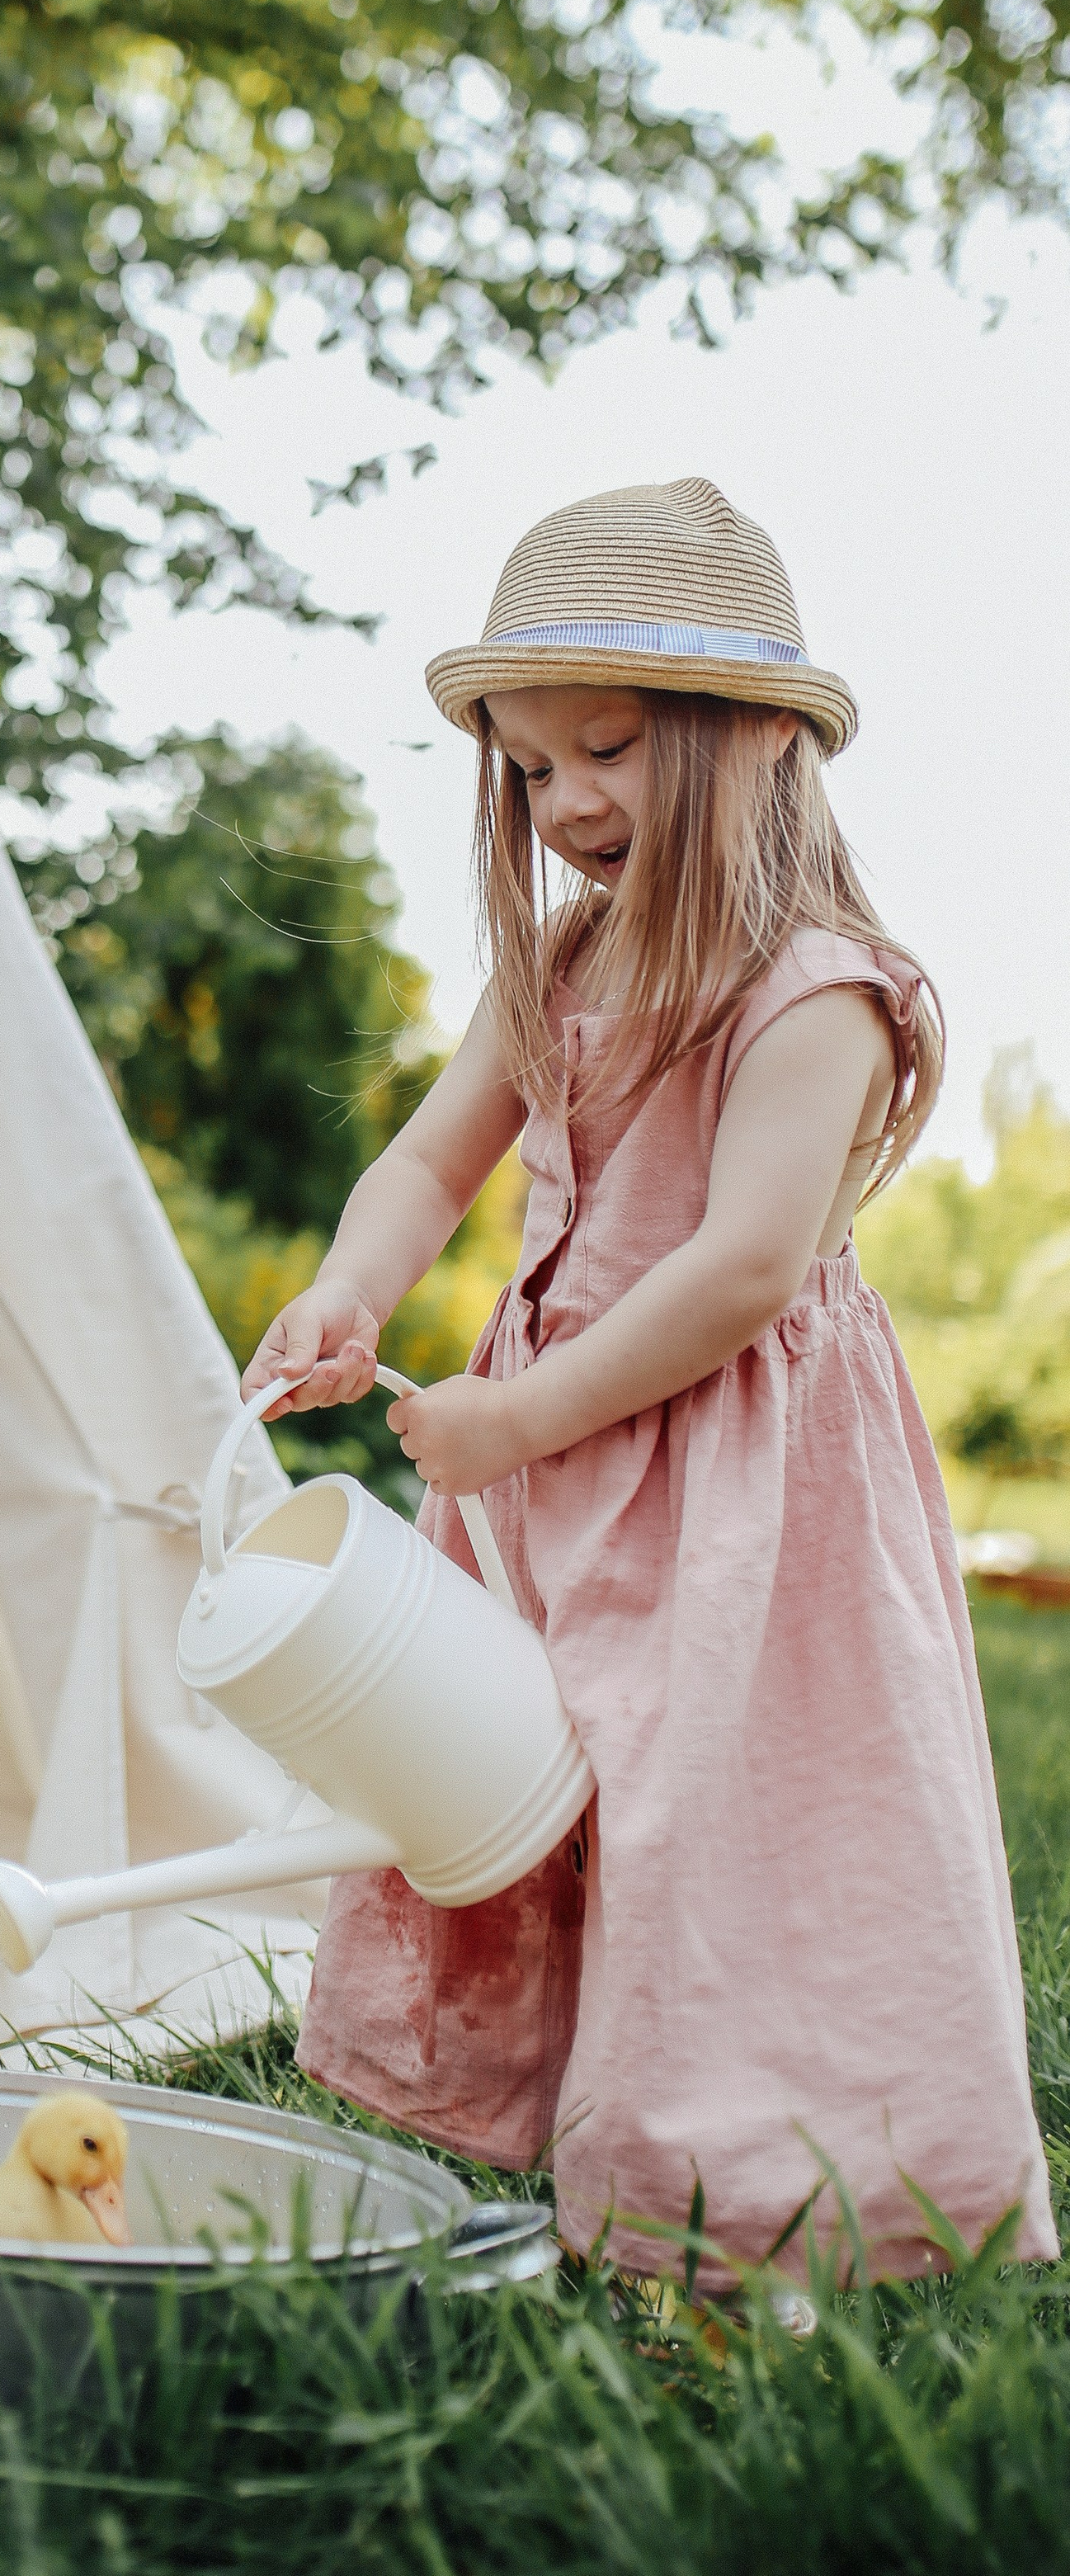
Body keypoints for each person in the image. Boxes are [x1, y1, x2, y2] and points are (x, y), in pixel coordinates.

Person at [245, 476, 1054, 2295]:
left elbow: (742, 1267)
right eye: (529, 768)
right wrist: (345, 1293)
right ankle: (566, 2143)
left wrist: (515, 1418)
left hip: (725, 1478)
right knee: (535, 1789)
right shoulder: (561, 955)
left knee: (715, 1815)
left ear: (761, 742)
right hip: (556, 1464)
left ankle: (755, 2195)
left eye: (603, 747)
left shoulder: (812, 987)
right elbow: (428, 1162)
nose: (566, 803)